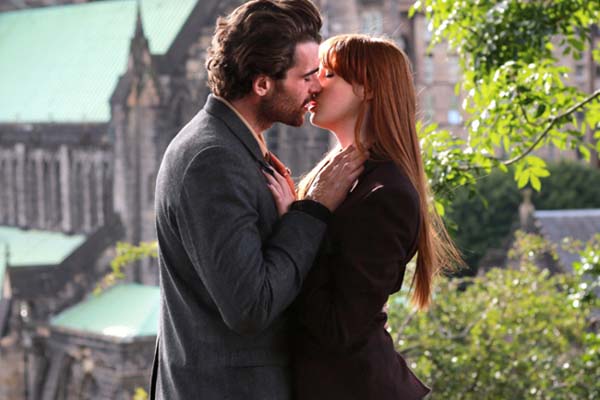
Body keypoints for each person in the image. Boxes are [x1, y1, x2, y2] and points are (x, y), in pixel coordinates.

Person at [150, 2, 368, 399]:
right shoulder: (211, 159)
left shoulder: (232, 145)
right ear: (262, 83)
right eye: (306, 77)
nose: (316, 87)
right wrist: (312, 212)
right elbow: (251, 307)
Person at [266, 34, 463, 399]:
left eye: (327, 73)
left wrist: (301, 220)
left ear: (367, 88)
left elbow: (338, 328)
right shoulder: (342, 179)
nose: (313, 83)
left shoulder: (385, 193)